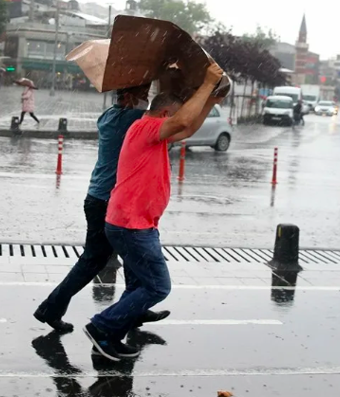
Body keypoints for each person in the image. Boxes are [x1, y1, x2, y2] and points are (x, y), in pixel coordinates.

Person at [83, 62, 224, 362]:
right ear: (165, 114)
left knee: (137, 285)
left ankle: (110, 337)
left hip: (132, 223)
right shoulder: (146, 127)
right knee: (158, 286)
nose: (178, 124)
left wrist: (210, 100)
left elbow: (187, 126)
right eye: (174, 118)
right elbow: (182, 120)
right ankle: (100, 327)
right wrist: (206, 84)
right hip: (132, 226)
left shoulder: (150, 132)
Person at [33, 84, 170, 333]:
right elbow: (166, 123)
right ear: (128, 97)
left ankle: (135, 309)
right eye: (142, 96)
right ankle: (51, 308)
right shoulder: (133, 119)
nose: (146, 101)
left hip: (97, 197)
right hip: (108, 200)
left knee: (131, 254)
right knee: (93, 260)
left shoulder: (107, 116)